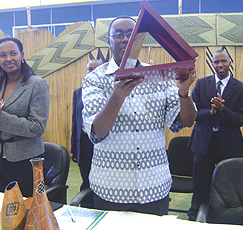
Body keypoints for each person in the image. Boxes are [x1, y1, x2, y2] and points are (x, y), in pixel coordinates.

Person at [82, 16, 197, 216]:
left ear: (140, 39)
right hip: (111, 189)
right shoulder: (95, 80)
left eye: (131, 34)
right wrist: (117, 96)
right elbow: (97, 131)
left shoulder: (160, 77)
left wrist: (184, 93)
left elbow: (185, 121)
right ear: (109, 41)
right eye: (118, 35)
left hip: (153, 187)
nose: (125, 39)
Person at [0, 37, 50, 197]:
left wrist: (0, 117)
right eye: (2, 55)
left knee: (25, 212)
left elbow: (36, 127)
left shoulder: (37, 85)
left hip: (25, 161)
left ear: (22, 55)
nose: (8, 59)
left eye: (13, 53)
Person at [187, 49, 243, 220]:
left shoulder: (242, 88)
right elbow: (193, 114)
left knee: (228, 188)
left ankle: (225, 221)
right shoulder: (201, 84)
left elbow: (239, 120)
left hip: (228, 145)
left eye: (223, 61)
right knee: (200, 186)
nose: (220, 65)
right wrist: (211, 113)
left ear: (230, 62)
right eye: (216, 62)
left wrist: (222, 110)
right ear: (212, 63)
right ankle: (195, 220)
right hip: (203, 143)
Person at [70, 58, 102, 208]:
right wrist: (73, 148)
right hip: (83, 143)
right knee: (86, 178)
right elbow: (75, 121)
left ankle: (98, 206)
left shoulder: (108, 90)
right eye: (90, 69)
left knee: (100, 180)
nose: (93, 71)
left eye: (97, 68)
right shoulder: (78, 93)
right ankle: (87, 208)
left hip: (101, 142)